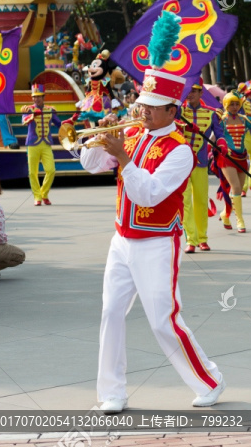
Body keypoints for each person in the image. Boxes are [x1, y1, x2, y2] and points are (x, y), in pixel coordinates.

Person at [79, 62, 224, 413]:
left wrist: (124, 159)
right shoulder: (132, 135)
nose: (142, 111)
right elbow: (90, 165)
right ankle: (112, 392)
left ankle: (209, 380)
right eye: (141, 105)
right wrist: (98, 139)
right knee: (111, 312)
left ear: (171, 111)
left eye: (151, 107)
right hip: (122, 240)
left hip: (158, 242)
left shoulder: (180, 150)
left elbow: (149, 195)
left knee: (163, 319)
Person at [177, 78, 225, 253]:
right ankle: (191, 239)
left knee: (200, 200)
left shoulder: (212, 113)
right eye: (188, 91)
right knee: (185, 202)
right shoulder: (177, 112)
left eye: (194, 91)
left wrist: (221, 145)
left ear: (200, 93)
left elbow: (219, 134)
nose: (190, 94)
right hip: (182, 163)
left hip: (201, 162)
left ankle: (203, 238)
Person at [216, 92, 251, 233]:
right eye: (231, 104)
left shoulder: (245, 119)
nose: (234, 107)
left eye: (236, 104)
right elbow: (214, 136)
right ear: (226, 105)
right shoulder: (222, 120)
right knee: (237, 188)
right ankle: (240, 220)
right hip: (227, 157)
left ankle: (224, 214)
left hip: (242, 157)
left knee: (236, 190)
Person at [21, 84, 62, 206]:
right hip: (33, 143)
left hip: (46, 143)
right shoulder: (28, 109)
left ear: (43, 97)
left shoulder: (50, 110)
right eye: (34, 97)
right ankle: (37, 197)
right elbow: (24, 120)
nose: (36, 99)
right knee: (32, 172)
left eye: (38, 97)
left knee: (51, 170)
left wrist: (71, 121)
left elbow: (59, 123)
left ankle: (44, 193)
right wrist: (32, 115)